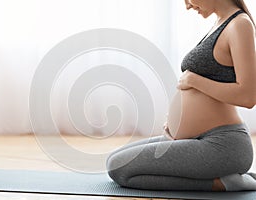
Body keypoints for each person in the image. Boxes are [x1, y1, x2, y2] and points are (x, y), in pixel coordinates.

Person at [106, 0, 256, 191]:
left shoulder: (240, 24)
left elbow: (248, 96)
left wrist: (195, 81)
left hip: (223, 145)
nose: (187, 5)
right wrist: (178, 123)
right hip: (195, 140)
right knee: (113, 160)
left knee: (118, 168)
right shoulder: (220, 23)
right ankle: (222, 180)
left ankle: (225, 184)